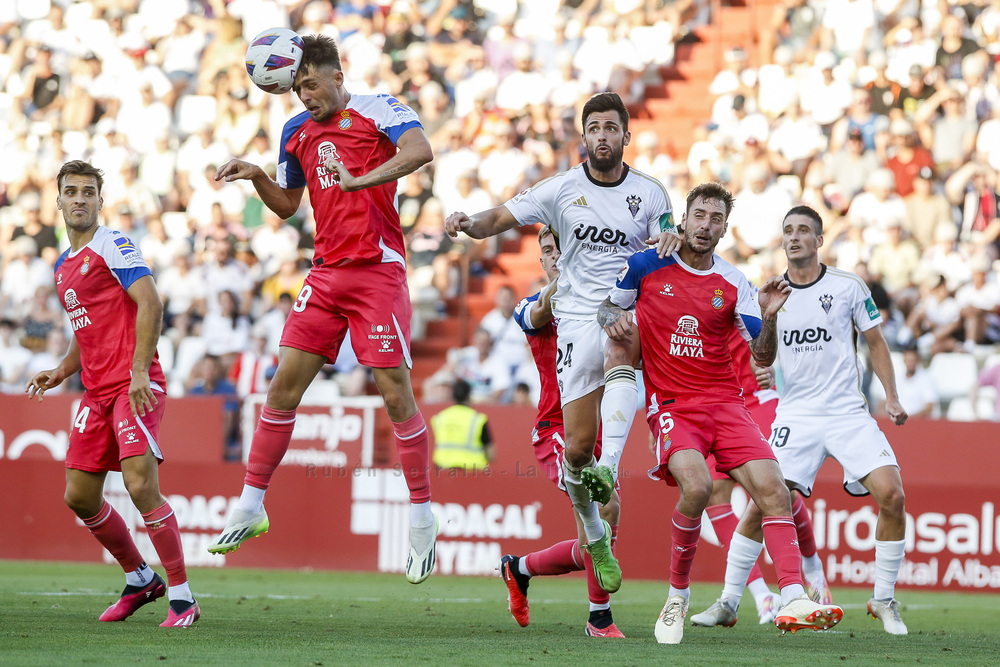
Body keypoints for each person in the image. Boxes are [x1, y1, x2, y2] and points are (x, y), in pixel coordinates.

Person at [206, 35, 439, 585]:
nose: (303, 95)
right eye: (296, 87)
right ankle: (251, 501)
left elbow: (419, 151)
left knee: (393, 389)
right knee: (282, 386)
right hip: (327, 273)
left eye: (310, 84)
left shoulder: (379, 107)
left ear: (336, 75)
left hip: (377, 271)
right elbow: (289, 206)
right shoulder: (294, 131)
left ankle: (423, 513)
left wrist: (365, 178)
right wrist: (259, 174)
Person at [445, 92, 680, 596]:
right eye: (594, 127)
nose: (602, 135)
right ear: (583, 136)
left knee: (621, 341)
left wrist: (668, 240)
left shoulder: (651, 193)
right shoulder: (560, 189)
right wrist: (468, 223)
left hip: (622, 312)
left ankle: (610, 470)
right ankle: (594, 536)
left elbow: (666, 237)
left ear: (625, 136)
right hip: (573, 319)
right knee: (574, 450)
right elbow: (500, 217)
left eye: (611, 127)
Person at [598, 183, 843, 644]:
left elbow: (763, 356)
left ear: (723, 229)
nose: (706, 225)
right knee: (698, 486)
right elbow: (610, 304)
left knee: (774, 489)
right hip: (673, 405)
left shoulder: (734, 283)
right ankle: (677, 596)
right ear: (684, 219)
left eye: (715, 219)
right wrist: (611, 318)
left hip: (727, 405)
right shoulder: (647, 265)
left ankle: (792, 595)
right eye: (699, 216)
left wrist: (769, 316)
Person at [692, 205, 910, 636]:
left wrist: (892, 397)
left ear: (819, 239)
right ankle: (729, 602)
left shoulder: (848, 286)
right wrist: (768, 317)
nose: (794, 237)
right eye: (788, 230)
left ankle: (883, 599)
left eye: (804, 231)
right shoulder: (769, 292)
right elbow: (763, 357)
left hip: (848, 412)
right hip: (797, 415)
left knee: (893, 496)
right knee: (759, 508)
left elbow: (876, 343)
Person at [25, 160, 199, 627]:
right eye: (71, 191)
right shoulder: (63, 267)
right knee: (79, 496)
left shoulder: (114, 244)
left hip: (134, 386)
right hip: (96, 392)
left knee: (140, 484)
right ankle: (141, 578)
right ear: (58, 201)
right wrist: (62, 369)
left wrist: (140, 369)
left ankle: (182, 596)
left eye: (88, 191)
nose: (79, 198)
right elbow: (87, 328)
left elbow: (151, 301)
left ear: (100, 201)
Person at [500, 225, 625, 638]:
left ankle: (519, 568)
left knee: (596, 540)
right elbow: (536, 313)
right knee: (603, 512)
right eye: (550, 250)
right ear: (543, 260)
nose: (557, 255)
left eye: (564, 248)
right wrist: (564, 280)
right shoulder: (535, 304)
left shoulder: (601, 303)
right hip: (557, 429)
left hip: (601, 429)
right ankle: (599, 619)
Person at [430, 378, 494, 470]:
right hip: (472, 471)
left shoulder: (439, 418)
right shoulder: (478, 419)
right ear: (468, 397)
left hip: (443, 470)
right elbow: (491, 455)